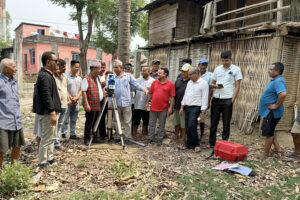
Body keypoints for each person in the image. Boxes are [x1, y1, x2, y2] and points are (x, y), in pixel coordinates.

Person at [33, 51, 62, 169]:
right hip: (48, 113)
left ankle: (50, 158)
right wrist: (52, 112)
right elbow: (46, 96)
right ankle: (42, 161)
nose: (57, 63)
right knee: (46, 138)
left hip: (51, 112)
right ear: (48, 62)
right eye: (55, 61)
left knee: (51, 137)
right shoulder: (45, 76)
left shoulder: (48, 75)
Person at [209, 51, 243, 147]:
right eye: (222, 60)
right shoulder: (217, 69)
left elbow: (237, 86)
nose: (224, 62)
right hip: (216, 98)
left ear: (231, 59)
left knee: (226, 122)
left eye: (226, 60)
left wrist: (232, 100)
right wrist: (215, 86)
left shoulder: (236, 69)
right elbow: (212, 83)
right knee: (213, 121)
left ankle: (224, 143)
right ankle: (212, 143)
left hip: (227, 99)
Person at [0, 58, 25, 169]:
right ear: (6, 69)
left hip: (16, 120)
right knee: (1, 149)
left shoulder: (14, 82)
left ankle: (13, 169)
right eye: (13, 67)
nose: (16, 69)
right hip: (3, 121)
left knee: (17, 145)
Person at [258, 62, 287, 159]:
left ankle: (264, 154)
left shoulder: (278, 81)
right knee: (270, 130)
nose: (269, 71)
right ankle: (278, 148)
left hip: (273, 112)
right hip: (269, 111)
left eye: (271, 69)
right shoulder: (276, 80)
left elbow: (283, 94)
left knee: (269, 133)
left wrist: (276, 105)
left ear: (277, 71)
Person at [112, 60, 147, 139]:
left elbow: (135, 84)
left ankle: (127, 137)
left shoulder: (128, 76)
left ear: (121, 68)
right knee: (116, 121)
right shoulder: (112, 77)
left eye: (116, 67)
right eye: (114, 67)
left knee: (127, 121)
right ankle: (118, 136)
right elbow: (109, 89)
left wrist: (143, 89)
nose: (115, 69)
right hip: (116, 103)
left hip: (126, 103)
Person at [180, 67, 209, 151]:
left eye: (190, 75)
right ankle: (189, 144)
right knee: (187, 126)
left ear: (196, 74)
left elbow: (205, 98)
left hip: (196, 107)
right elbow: (186, 95)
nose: (189, 76)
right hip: (187, 106)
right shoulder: (189, 82)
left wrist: (203, 112)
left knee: (191, 125)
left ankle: (196, 144)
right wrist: (182, 106)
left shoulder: (203, 83)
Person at [145, 68, 175, 145]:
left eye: (160, 73)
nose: (158, 74)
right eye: (158, 73)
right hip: (153, 107)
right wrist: (147, 103)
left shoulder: (170, 84)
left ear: (165, 74)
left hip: (163, 108)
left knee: (161, 125)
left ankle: (159, 140)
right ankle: (150, 138)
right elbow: (150, 94)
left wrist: (171, 108)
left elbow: (172, 97)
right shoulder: (154, 83)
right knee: (151, 124)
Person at [81, 60, 105, 146]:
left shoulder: (97, 78)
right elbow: (83, 91)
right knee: (89, 122)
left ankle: (94, 137)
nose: (100, 70)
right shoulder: (86, 78)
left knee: (96, 122)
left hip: (97, 104)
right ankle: (86, 138)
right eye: (99, 69)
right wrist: (86, 104)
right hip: (90, 104)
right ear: (94, 69)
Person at [132, 67, 155, 140]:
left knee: (145, 121)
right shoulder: (137, 80)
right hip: (138, 104)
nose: (143, 72)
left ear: (149, 71)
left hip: (147, 105)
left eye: (144, 71)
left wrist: (149, 103)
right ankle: (134, 134)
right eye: (142, 71)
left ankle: (143, 135)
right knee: (136, 121)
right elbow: (134, 90)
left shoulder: (153, 81)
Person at [61, 60, 82, 140]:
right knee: (65, 119)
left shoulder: (79, 78)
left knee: (74, 119)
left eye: (78, 67)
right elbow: (64, 89)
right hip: (68, 102)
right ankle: (64, 133)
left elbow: (81, 90)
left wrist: (76, 98)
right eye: (76, 67)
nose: (77, 69)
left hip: (76, 102)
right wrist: (70, 98)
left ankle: (72, 134)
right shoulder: (66, 77)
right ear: (71, 67)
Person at [173, 63, 190, 145]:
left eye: (185, 72)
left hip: (186, 106)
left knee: (183, 123)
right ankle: (176, 135)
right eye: (182, 71)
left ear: (189, 72)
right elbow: (174, 93)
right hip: (176, 105)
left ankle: (183, 137)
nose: (183, 73)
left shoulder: (191, 82)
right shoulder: (178, 80)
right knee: (176, 122)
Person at [54, 59, 68, 148]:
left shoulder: (65, 77)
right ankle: (54, 143)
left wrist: (68, 100)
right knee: (54, 125)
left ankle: (57, 141)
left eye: (65, 66)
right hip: (57, 105)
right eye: (63, 66)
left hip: (64, 104)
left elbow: (65, 90)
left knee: (60, 124)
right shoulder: (53, 78)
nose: (65, 68)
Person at [198, 58, 212, 142]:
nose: (203, 66)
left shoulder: (209, 75)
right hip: (195, 99)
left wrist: (208, 101)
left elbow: (211, 89)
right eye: (202, 64)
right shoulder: (196, 73)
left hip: (203, 100)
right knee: (193, 117)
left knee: (201, 118)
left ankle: (202, 134)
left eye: (205, 64)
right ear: (199, 65)